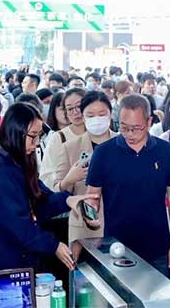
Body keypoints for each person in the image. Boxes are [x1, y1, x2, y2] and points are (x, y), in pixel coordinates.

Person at [0, 103, 97, 273]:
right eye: (33, 136)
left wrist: (69, 200)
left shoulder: (17, 160)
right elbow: (19, 227)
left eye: (39, 136)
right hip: (3, 263)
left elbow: (39, 197)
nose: (37, 143)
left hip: (21, 259)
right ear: (15, 132)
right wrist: (54, 246)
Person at [85, 94, 170, 277]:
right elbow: (92, 196)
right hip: (116, 247)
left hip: (157, 247)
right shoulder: (103, 153)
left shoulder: (165, 151)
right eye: (124, 127)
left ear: (149, 121)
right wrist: (90, 216)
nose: (130, 134)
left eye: (136, 128)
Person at [55, 91, 116, 256]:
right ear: (83, 116)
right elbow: (56, 191)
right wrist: (70, 179)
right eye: (90, 115)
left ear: (110, 114)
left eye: (102, 114)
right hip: (83, 228)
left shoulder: (122, 144)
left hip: (118, 226)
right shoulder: (70, 147)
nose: (97, 119)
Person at [41, 88, 86, 188]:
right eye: (70, 109)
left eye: (79, 106)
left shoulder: (98, 133)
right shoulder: (58, 138)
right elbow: (46, 175)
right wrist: (67, 178)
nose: (75, 112)